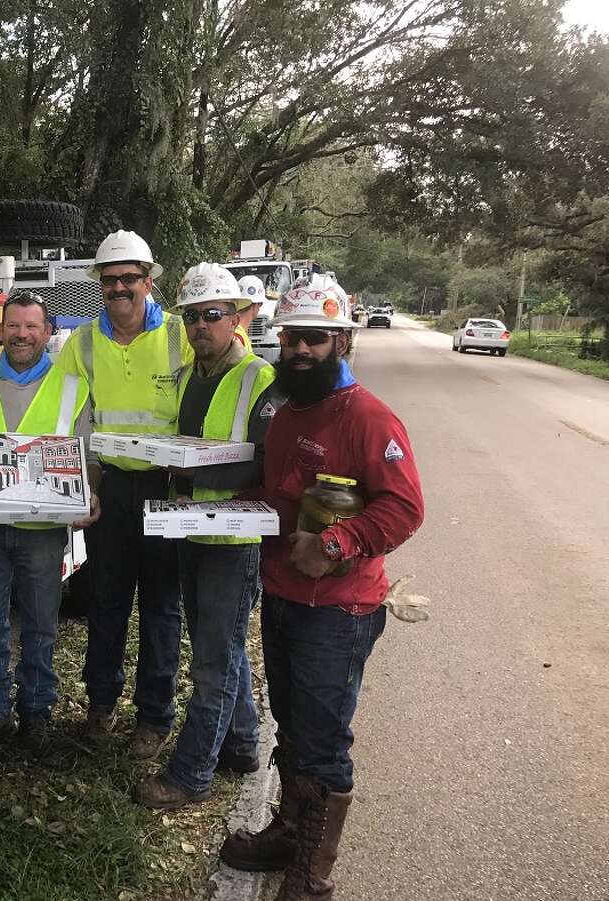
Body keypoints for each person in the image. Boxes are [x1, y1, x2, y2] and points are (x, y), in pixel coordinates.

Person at [218, 281, 424, 901]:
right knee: (292, 723)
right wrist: (218, 509)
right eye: (292, 338)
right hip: (283, 594)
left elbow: (405, 508)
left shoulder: (369, 418)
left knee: (324, 738)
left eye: (316, 338)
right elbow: (277, 496)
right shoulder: (288, 415)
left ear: (342, 342)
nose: (301, 350)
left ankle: (312, 872)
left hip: (339, 611)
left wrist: (335, 544)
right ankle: (288, 832)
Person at [132, 263, 280, 809]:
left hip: (233, 542)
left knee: (213, 663)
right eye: (192, 317)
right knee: (221, 647)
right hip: (190, 529)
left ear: (235, 317)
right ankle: (241, 745)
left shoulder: (260, 379)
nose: (200, 326)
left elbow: (267, 463)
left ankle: (191, 774)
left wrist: (194, 469)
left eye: (212, 315)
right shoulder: (188, 376)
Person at [56, 230, 192, 760]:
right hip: (108, 486)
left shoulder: (181, 336)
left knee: (161, 607)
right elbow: (71, 420)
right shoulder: (83, 343)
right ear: (100, 284)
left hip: (166, 488)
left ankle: (154, 718)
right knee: (106, 602)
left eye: (129, 278)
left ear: (148, 281)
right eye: (110, 279)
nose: (119, 288)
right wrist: (85, 485)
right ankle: (101, 705)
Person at [0, 292, 98, 754]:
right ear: (0, 331)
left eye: (32, 326)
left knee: (41, 625)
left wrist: (90, 492)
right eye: (14, 326)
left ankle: (36, 711)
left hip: (42, 531)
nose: (22, 335)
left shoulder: (72, 389)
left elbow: (88, 457)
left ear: (47, 332)